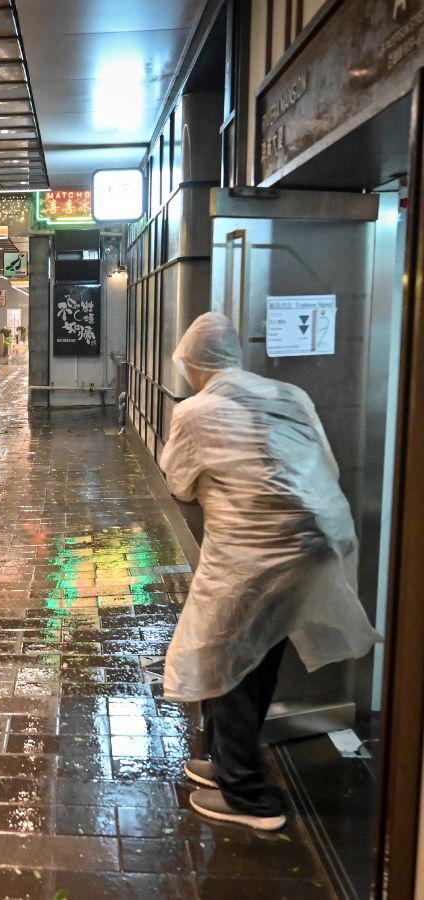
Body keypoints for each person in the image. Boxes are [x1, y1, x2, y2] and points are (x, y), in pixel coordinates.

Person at [160, 312, 378, 832]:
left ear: (193, 364)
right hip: (317, 542)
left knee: (222, 657)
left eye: (186, 364)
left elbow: (178, 482)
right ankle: (228, 763)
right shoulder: (289, 395)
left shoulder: (196, 412)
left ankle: (250, 798)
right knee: (257, 651)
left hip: (254, 554)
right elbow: (328, 465)